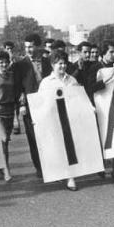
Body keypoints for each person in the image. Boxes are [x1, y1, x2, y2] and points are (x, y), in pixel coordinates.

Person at [37, 49, 82, 191]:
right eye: (59, 64)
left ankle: (71, 177)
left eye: (64, 63)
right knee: (57, 147)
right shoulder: (46, 82)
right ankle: (59, 172)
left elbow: (78, 98)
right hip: (53, 120)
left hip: (69, 119)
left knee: (70, 147)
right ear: (52, 65)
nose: (62, 66)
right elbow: (40, 103)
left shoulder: (72, 80)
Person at [86, 42, 114, 182]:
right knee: (101, 138)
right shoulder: (95, 67)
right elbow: (89, 88)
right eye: (111, 52)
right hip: (101, 107)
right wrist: (106, 81)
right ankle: (100, 166)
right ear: (103, 53)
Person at [11, 33, 47, 178]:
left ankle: (50, 164)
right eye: (27, 47)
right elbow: (18, 87)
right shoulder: (20, 64)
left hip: (46, 103)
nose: (29, 50)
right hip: (30, 105)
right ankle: (39, 167)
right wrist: (22, 104)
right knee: (33, 138)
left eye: (31, 47)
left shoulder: (46, 61)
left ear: (37, 46)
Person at [0, 51, 19, 182]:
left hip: (10, 110)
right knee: (4, 139)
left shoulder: (12, 76)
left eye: (6, 62)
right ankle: (6, 170)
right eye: (1, 62)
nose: (4, 64)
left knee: (3, 142)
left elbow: (17, 93)